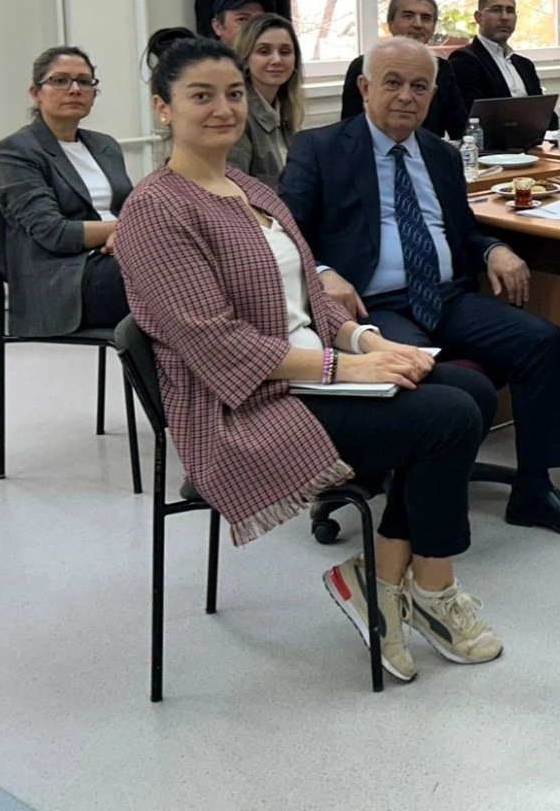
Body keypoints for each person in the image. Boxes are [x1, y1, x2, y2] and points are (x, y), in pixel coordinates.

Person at [114, 33, 501, 683]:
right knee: (448, 419)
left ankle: (380, 580)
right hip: (243, 406)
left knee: (473, 394)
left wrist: (369, 342)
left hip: (305, 374)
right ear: (163, 107)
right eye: (201, 96)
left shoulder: (248, 188)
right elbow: (215, 344)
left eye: (233, 94)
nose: (223, 109)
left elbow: (311, 298)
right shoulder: (156, 210)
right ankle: (430, 589)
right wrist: (347, 369)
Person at [279, 36, 560, 539]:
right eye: (392, 83)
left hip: (445, 296)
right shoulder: (320, 148)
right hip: (371, 306)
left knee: (540, 340)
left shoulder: (440, 154)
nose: (406, 96)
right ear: (365, 87)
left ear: (433, 96)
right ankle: (413, 513)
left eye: (419, 87)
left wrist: (493, 249)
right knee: (417, 370)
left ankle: (534, 488)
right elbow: (286, 233)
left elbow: (463, 230)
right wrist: (322, 272)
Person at [0, 46, 132, 337]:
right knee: (172, 271)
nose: (75, 89)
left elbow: (130, 208)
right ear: (36, 93)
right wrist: (129, 230)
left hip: (118, 256)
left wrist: (128, 233)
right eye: (60, 80)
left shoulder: (105, 145)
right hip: (64, 281)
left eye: (85, 81)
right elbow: (55, 233)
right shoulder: (15, 151)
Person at [339, 0, 468, 140]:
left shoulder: (443, 68)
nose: (418, 24)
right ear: (390, 24)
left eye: (426, 18)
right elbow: (350, 129)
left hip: (427, 152)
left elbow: (461, 128)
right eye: (408, 16)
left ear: (433, 28)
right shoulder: (364, 65)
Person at [229, 12, 307, 188]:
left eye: (285, 52)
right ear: (245, 58)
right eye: (264, 51)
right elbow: (235, 189)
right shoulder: (236, 116)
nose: (277, 60)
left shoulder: (286, 110)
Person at [449, 0, 544, 101]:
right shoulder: (464, 60)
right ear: (479, 17)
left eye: (510, 11)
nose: (505, 17)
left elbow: (543, 108)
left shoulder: (525, 65)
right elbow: (474, 110)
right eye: (496, 10)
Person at [207, 0, 274, 46]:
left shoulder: (275, 53)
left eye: (259, 20)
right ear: (218, 26)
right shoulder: (204, 53)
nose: (253, 27)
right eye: (242, 19)